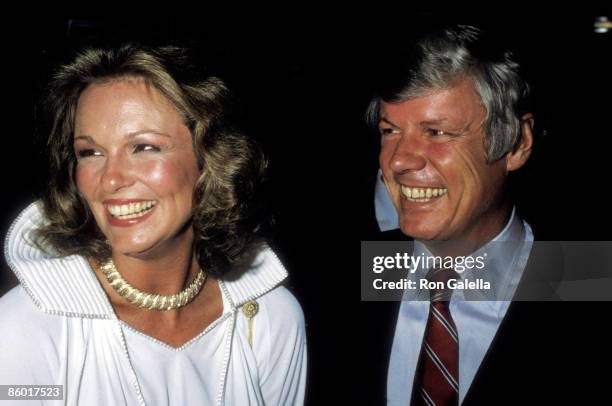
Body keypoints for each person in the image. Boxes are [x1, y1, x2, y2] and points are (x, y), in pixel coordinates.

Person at [0, 43, 306, 405]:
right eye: (90, 152)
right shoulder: (25, 330)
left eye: (144, 147)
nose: (110, 180)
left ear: (210, 159)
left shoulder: (268, 319)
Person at [361, 24, 599, 405]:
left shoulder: (587, 283)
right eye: (390, 131)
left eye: (436, 132)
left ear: (517, 143)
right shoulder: (340, 280)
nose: (399, 160)